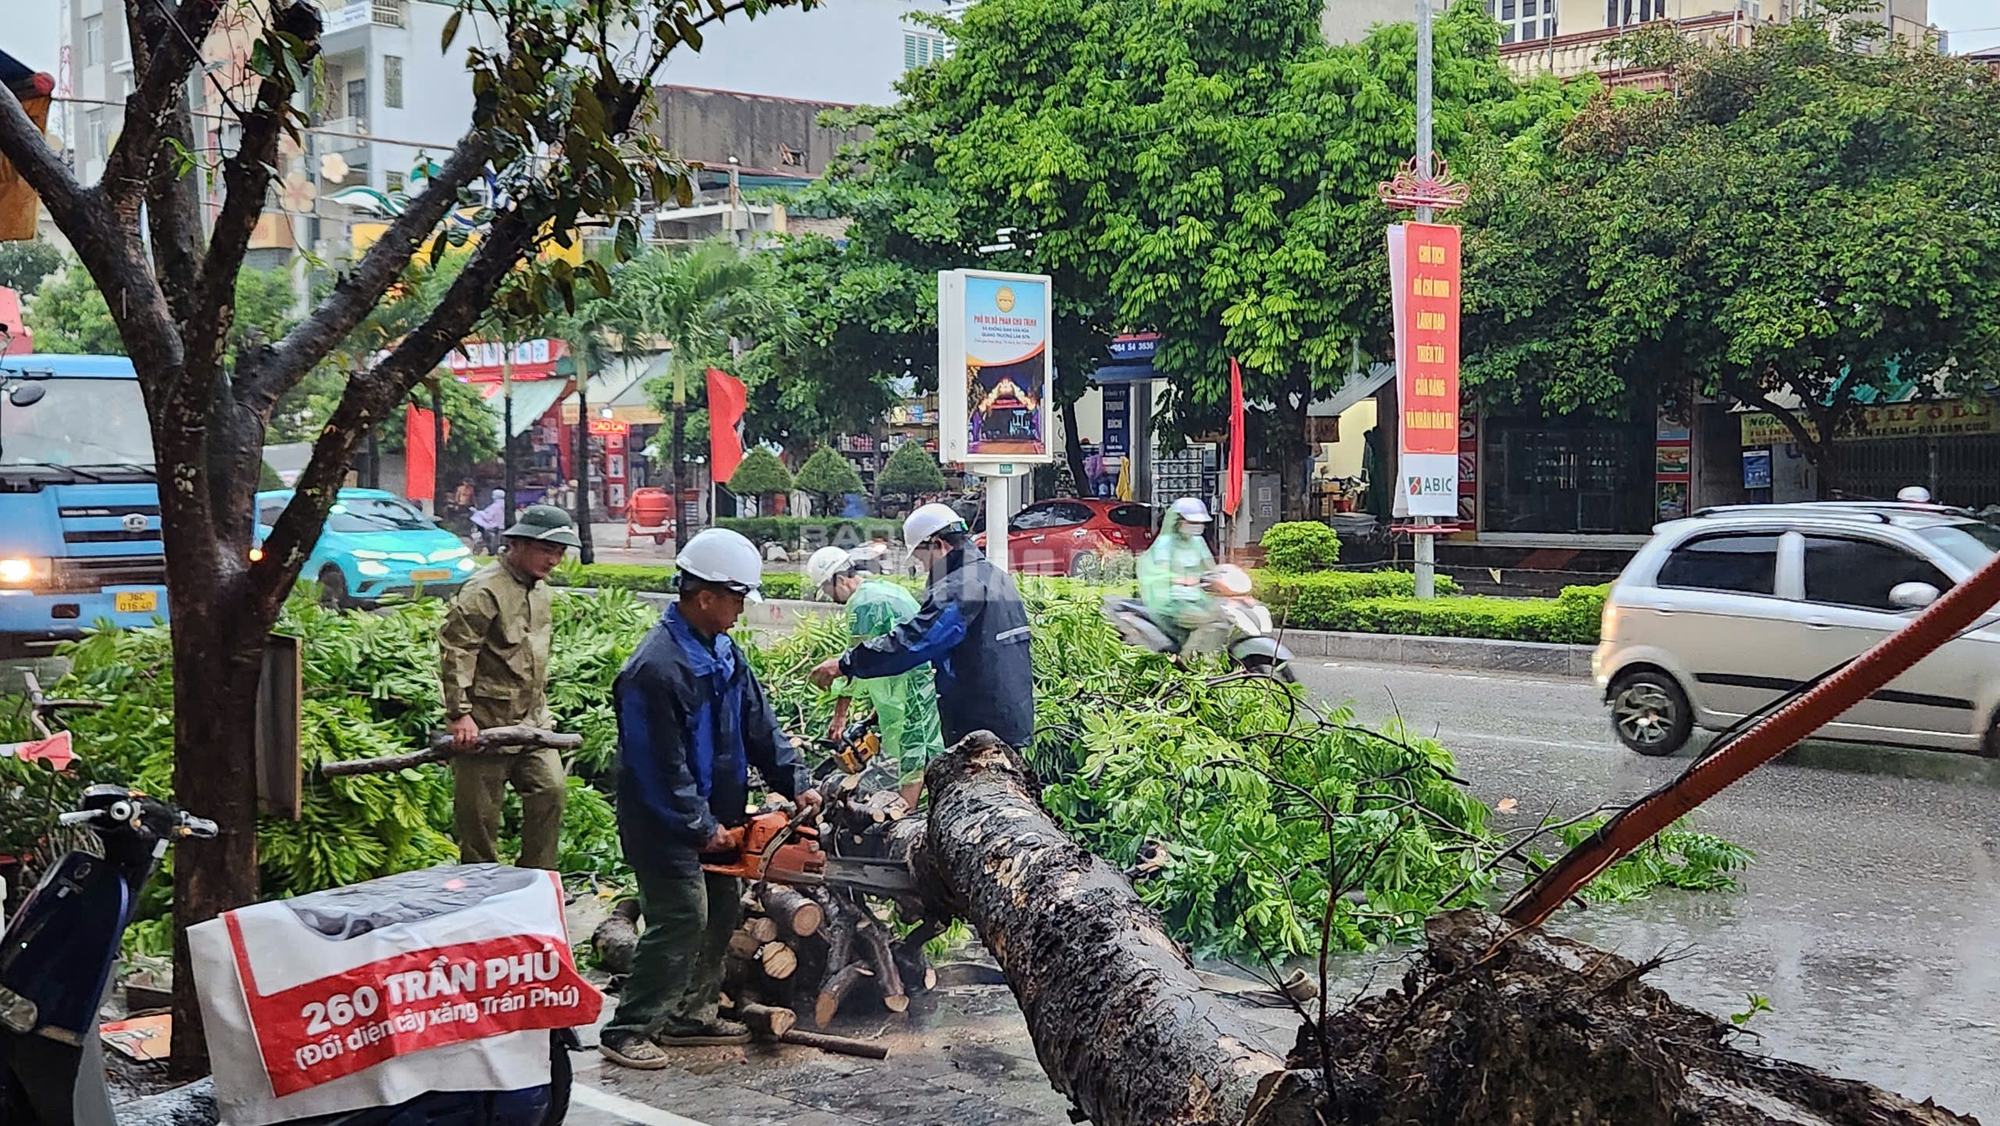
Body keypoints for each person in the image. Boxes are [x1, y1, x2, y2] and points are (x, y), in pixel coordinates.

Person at [600, 528, 821, 1068]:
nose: (742, 611)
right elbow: (657, 765)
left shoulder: (722, 653)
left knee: (721, 912)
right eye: (738, 599)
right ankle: (630, 1028)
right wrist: (696, 823)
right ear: (705, 597)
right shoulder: (655, 668)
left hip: (719, 814)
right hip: (663, 821)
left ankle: (691, 1015)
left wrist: (797, 781)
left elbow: (759, 727)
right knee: (681, 919)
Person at [809, 503, 1032, 749]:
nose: (925, 568)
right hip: (1008, 718)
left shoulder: (961, 587)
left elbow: (916, 641)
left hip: (979, 727)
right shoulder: (993, 575)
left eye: (921, 558)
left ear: (938, 544)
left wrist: (846, 663)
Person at [438, 504, 579, 870]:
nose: (553, 560)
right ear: (517, 543)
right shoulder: (484, 591)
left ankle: (537, 881)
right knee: (479, 821)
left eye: (559, 552)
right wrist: (460, 715)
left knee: (550, 791)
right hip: (484, 725)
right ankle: (480, 893)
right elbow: (457, 651)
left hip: (532, 723)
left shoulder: (540, 591)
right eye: (546, 550)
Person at [805, 546, 946, 806]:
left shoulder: (862, 604)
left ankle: (907, 814)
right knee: (925, 745)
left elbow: (853, 662)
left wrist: (839, 717)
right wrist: (873, 716)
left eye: (827, 588)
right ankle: (931, 805)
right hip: (915, 678)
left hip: (912, 682)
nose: (829, 595)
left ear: (839, 579)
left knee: (914, 746)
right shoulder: (882, 588)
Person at [1136, 497, 1218, 646]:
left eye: (1200, 523)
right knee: (1208, 621)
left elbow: (1211, 567)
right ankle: (1189, 660)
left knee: (1227, 617)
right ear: (1178, 521)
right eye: (1192, 522)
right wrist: (1183, 580)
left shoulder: (1198, 541)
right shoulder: (1165, 544)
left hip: (1196, 599)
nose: (1197, 526)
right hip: (1171, 603)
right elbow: (1160, 574)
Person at [469, 488, 506, 553]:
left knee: (495, 542)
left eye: (493, 495)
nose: (492, 496)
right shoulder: (505, 504)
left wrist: (476, 512)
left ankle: (493, 552)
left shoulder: (495, 506)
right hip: (503, 526)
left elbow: (487, 516)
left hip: (496, 527)